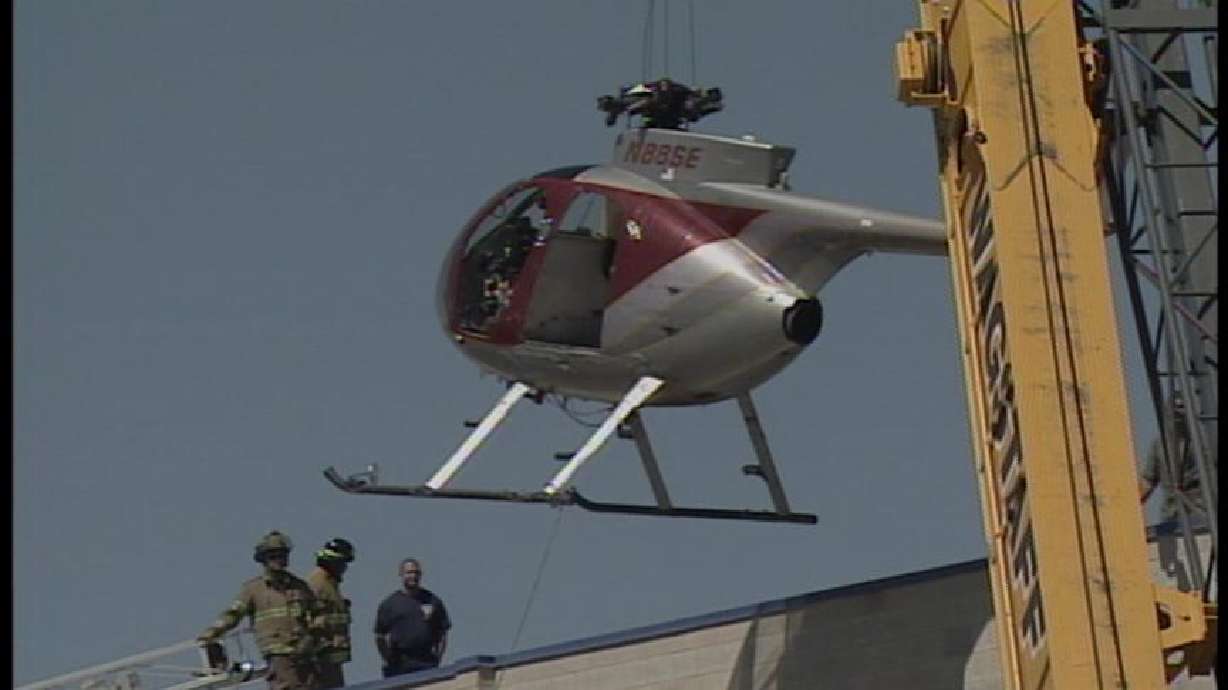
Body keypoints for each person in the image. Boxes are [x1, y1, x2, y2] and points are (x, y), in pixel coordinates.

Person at [197, 531, 321, 690]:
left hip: (306, 654)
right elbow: (233, 614)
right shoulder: (254, 589)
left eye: (282, 555)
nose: (279, 560)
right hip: (278, 654)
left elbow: (318, 615)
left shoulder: (300, 587)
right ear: (263, 559)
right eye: (273, 556)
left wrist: (311, 638)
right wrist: (211, 633)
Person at [374, 557, 452, 678]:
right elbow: (379, 636)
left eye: (416, 573)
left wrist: (438, 658)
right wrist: (389, 659)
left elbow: (443, 632)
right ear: (401, 574)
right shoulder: (390, 604)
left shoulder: (433, 600)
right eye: (409, 572)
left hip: (426, 662)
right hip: (399, 664)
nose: (413, 576)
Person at [1138, 395, 1206, 526]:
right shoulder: (1159, 445)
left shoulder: (1201, 441)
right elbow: (1148, 481)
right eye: (1175, 409)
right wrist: (1128, 509)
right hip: (1172, 514)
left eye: (1182, 408)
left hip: (1200, 512)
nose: (1178, 413)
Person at [307, 538, 356, 689]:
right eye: (343, 563)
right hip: (320, 658)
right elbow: (306, 620)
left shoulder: (331, 584)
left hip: (331, 658)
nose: (344, 568)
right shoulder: (317, 583)